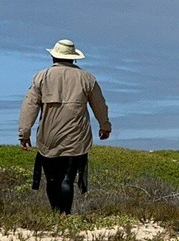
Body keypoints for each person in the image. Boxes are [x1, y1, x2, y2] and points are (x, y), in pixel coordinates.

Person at [18, 39, 112, 214]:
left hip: (48, 138)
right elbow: (99, 105)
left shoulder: (41, 77)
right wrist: (105, 126)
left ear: (54, 56)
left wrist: (24, 133)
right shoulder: (87, 78)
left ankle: (56, 214)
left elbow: (28, 106)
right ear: (74, 59)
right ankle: (65, 216)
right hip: (76, 138)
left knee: (52, 179)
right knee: (67, 179)